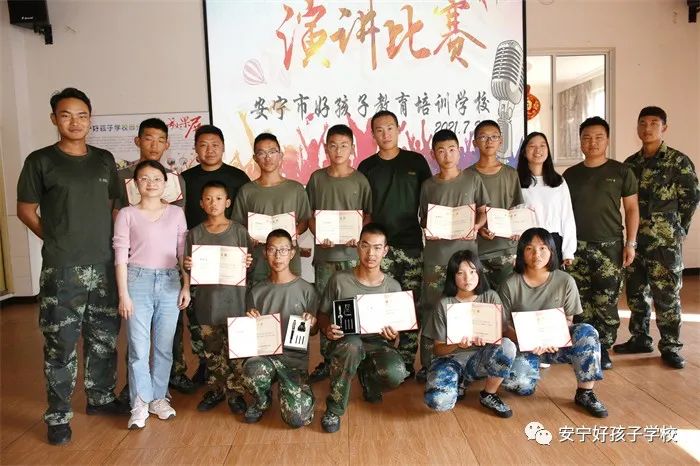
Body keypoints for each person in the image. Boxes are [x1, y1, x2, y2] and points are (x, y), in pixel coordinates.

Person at [17, 88, 128, 445]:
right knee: (61, 343)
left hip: (105, 265)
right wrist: (55, 238)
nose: (75, 122)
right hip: (63, 268)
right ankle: (59, 415)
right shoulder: (40, 161)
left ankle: (101, 397)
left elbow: (115, 206)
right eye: (66, 115)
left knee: (104, 338)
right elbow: (25, 210)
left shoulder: (104, 160)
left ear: (90, 119)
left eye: (82, 115)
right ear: (54, 119)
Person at [113, 118, 195, 401]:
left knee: (165, 340)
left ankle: (161, 392)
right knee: (137, 342)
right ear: (138, 140)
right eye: (149, 138)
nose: (154, 144)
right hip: (137, 271)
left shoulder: (175, 181)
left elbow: (179, 238)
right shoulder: (122, 178)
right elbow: (117, 218)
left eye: (161, 139)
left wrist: (185, 282)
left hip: (169, 275)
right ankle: (138, 394)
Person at [615, 107, 700, 369]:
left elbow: (691, 199)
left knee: (666, 295)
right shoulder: (630, 164)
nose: (647, 128)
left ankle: (671, 346)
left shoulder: (678, 161)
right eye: (642, 123)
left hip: (665, 242)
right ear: (637, 128)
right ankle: (640, 338)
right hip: (636, 240)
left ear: (664, 127)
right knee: (636, 292)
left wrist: (677, 230)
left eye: (654, 123)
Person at [499, 228, 608, 418]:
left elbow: (569, 320)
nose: (537, 254)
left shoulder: (565, 280)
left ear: (551, 251)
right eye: (530, 249)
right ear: (522, 252)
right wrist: (527, 341)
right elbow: (503, 325)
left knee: (587, 331)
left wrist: (553, 338)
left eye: (543, 248)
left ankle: (585, 392)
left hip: (556, 344)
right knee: (521, 387)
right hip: (524, 346)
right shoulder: (510, 284)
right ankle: (530, 368)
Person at [358, 110, 432, 378]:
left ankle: (407, 361)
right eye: (379, 129)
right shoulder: (367, 167)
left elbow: (430, 200)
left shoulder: (416, 161)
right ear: (373, 134)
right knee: (380, 304)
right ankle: (381, 359)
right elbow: (363, 211)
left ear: (398, 128)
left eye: (389, 128)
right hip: (379, 249)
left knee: (410, 304)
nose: (385, 134)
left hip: (411, 245)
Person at [317, 223, 410, 433]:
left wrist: (393, 335)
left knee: (397, 373)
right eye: (365, 246)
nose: (371, 253)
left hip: (377, 343)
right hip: (346, 342)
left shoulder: (393, 287)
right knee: (352, 347)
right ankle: (334, 408)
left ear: (385, 250)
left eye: (377, 247)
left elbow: (396, 334)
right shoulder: (339, 280)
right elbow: (322, 314)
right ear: (358, 246)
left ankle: (368, 377)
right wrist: (327, 328)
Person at [563, 117, 639, 370]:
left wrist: (631, 243)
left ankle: (602, 348)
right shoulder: (570, 175)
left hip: (610, 246)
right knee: (580, 302)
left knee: (606, 302)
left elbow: (632, 209)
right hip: (577, 247)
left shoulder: (621, 171)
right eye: (586, 137)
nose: (592, 142)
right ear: (580, 141)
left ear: (607, 140)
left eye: (598, 137)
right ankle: (584, 346)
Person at [180, 125, 250, 386]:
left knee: (233, 324)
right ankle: (207, 368)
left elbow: (245, 217)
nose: (209, 150)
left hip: (230, 260)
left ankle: (236, 379)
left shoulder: (238, 177)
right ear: (196, 149)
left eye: (215, 145)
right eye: (203, 145)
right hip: (200, 260)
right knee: (202, 321)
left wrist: (245, 258)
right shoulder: (184, 179)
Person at [418, 129, 489, 380]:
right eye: (441, 150)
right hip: (436, 258)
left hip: (466, 258)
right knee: (431, 309)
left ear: (459, 151)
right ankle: (428, 364)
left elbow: (483, 211)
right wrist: (431, 227)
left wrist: (476, 226)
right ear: (433, 154)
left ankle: (465, 360)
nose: (446, 155)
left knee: (466, 307)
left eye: (451, 149)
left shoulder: (472, 179)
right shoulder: (428, 185)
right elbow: (424, 218)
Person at [306, 124, 372, 383]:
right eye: (333, 145)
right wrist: (318, 234)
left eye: (344, 145)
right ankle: (327, 359)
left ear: (352, 148)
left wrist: (360, 235)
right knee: (326, 308)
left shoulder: (360, 180)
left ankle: (356, 358)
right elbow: (310, 215)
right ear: (326, 148)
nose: (338, 150)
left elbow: (367, 215)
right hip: (325, 257)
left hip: (353, 257)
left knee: (354, 307)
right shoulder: (317, 179)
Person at [182, 181, 253, 413]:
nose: (214, 203)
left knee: (236, 350)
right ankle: (216, 390)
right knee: (212, 351)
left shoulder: (239, 231)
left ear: (228, 202)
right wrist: (188, 265)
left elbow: (250, 265)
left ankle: (236, 393)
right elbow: (188, 267)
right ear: (201, 203)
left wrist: (248, 263)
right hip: (207, 302)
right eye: (208, 199)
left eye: (219, 198)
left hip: (235, 301)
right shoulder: (195, 233)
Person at [423, 250, 515, 417]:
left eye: (472, 272)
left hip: (478, 359)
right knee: (438, 401)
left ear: (479, 272)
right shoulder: (444, 303)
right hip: (450, 359)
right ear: (452, 276)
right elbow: (438, 349)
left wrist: (489, 339)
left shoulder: (490, 297)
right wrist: (457, 344)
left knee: (507, 346)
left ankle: (488, 394)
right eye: (460, 273)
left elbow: (501, 335)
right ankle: (459, 381)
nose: (468, 278)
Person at [243, 229, 319, 427]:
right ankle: (263, 400)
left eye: (283, 250)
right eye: (272, 250)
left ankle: (295, 392)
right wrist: (249, 321)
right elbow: (249, 336)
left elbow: (313, 331)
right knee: (251, 369)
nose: (278, 256)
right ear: (264, 253)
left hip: (294, 361)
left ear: (292, 253)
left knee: (296, 419)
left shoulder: (307, 290)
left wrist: (312, 323)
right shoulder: (256, 292)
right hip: (266, 357)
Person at [232, 132, 312, 285]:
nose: (267, 157)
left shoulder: (295, 189)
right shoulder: (246, 191)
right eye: (261, 153)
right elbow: (238, 224)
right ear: (255, 158)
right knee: (259, 297)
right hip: (258, 260)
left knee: (290, 296)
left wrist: (296, 231)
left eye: (272, 152)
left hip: (288, 260)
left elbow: (304, 220)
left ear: (280, 155)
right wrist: (249, 237)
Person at [466, 120, 524, 290]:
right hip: (477, 250)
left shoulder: (511, 174)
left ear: (501, 141)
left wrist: (517, 228)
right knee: (481, 300)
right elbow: (465, 212)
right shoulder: (467, 175)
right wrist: (479, 228)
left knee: (507, 298)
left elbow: (515, 209)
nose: (489, 141)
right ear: (475, 142)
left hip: (506, 250)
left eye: (494, 137)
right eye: (483, 137)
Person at [516, 132, 576, 267]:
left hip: (552, 241)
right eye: (532, 146)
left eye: (542, 146)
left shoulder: (559, 181)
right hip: (526, 242)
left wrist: (568, 251)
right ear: (524, 152)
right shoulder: (516, 181)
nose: (538, 150)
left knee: (552, 280)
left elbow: (567, 217)